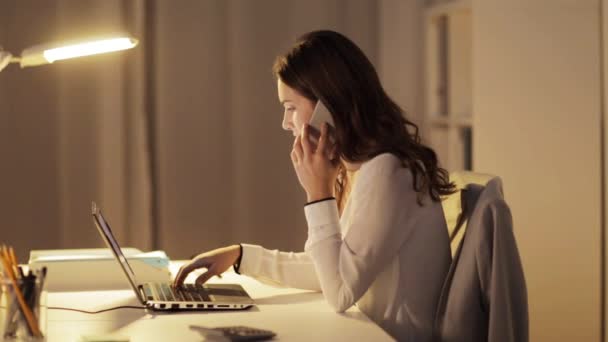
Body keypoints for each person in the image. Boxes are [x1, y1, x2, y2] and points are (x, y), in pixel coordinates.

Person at [173, 30, 456, 341]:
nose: (285, 122)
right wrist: (242, 257)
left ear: (330, 105)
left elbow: (340, 292)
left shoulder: (387, 171)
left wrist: (318, 193)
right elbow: (331, 270)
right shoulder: (359, 167)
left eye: (291, 107)